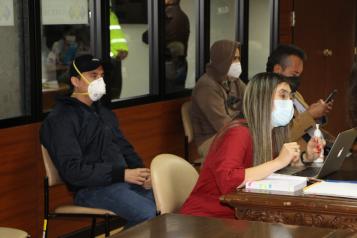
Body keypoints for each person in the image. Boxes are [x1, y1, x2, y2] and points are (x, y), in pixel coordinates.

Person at [180, 72, 322, 218]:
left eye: (290, 97)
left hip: (245, 213)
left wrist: (307, 157)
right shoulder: (238, 133)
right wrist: (279, 161)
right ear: (262, 99)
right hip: (207, 218)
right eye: (283, 96)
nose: (289, 102)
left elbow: (269, 172)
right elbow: (229, 181)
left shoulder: (271, 133)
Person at [40, 54, 156, 228]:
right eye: (93, 76)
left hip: (122, 181)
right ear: (75, 81)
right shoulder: (61, 118)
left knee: (166, 204)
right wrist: (121, 174)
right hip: (91, 189)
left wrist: (142, 174)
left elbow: (124, 148)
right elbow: (72, 170)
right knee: (148, 213)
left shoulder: (103, 113)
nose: (100, 81)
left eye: (101, 76)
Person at [266, 44, 334, 155]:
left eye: (300, 74)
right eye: (295, 73)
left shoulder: (295, 94)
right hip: (295, 160)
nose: (297, 79)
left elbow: (306, 123)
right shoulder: (266, 96)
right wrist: (310, 114)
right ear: (278, 70)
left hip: (315, 153)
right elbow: (279, 137)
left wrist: (318, 112)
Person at [191, 40, 246, 159]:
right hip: (211, 138)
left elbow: (251, 101)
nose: (238, 63)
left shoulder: (234, 80)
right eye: (234, 59)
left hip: (234, 131)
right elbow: (223, 126)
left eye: (238, 58)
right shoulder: (206, 86)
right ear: (223, 60)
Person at [142, 0, 190, 92]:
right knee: (176, 96)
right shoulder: (183, 16)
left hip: (168, 64)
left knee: (165, 97)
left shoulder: (166, 16)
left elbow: (147, 37)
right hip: (181, 63)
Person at [109, 0, 129, 99]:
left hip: (113, 59)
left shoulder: (111, 15)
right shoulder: (96, 14)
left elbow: (117, 35)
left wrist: (122, 50)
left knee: (114, 93)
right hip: (109, 59)